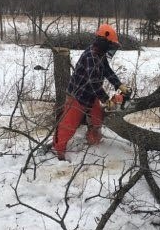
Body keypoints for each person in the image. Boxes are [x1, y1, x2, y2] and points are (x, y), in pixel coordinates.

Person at [52, 23, 130, 160]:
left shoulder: (100, 54)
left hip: (91, 95)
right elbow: (94, 83)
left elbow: (107, 71)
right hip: (78, 96)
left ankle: (94, 140)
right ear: (103, 42)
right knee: (68, 126)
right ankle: (58, 151)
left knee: (97, 118)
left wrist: (120, 85)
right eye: (110, 46)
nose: (111, 49)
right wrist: (107, 100)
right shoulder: (91, 56)